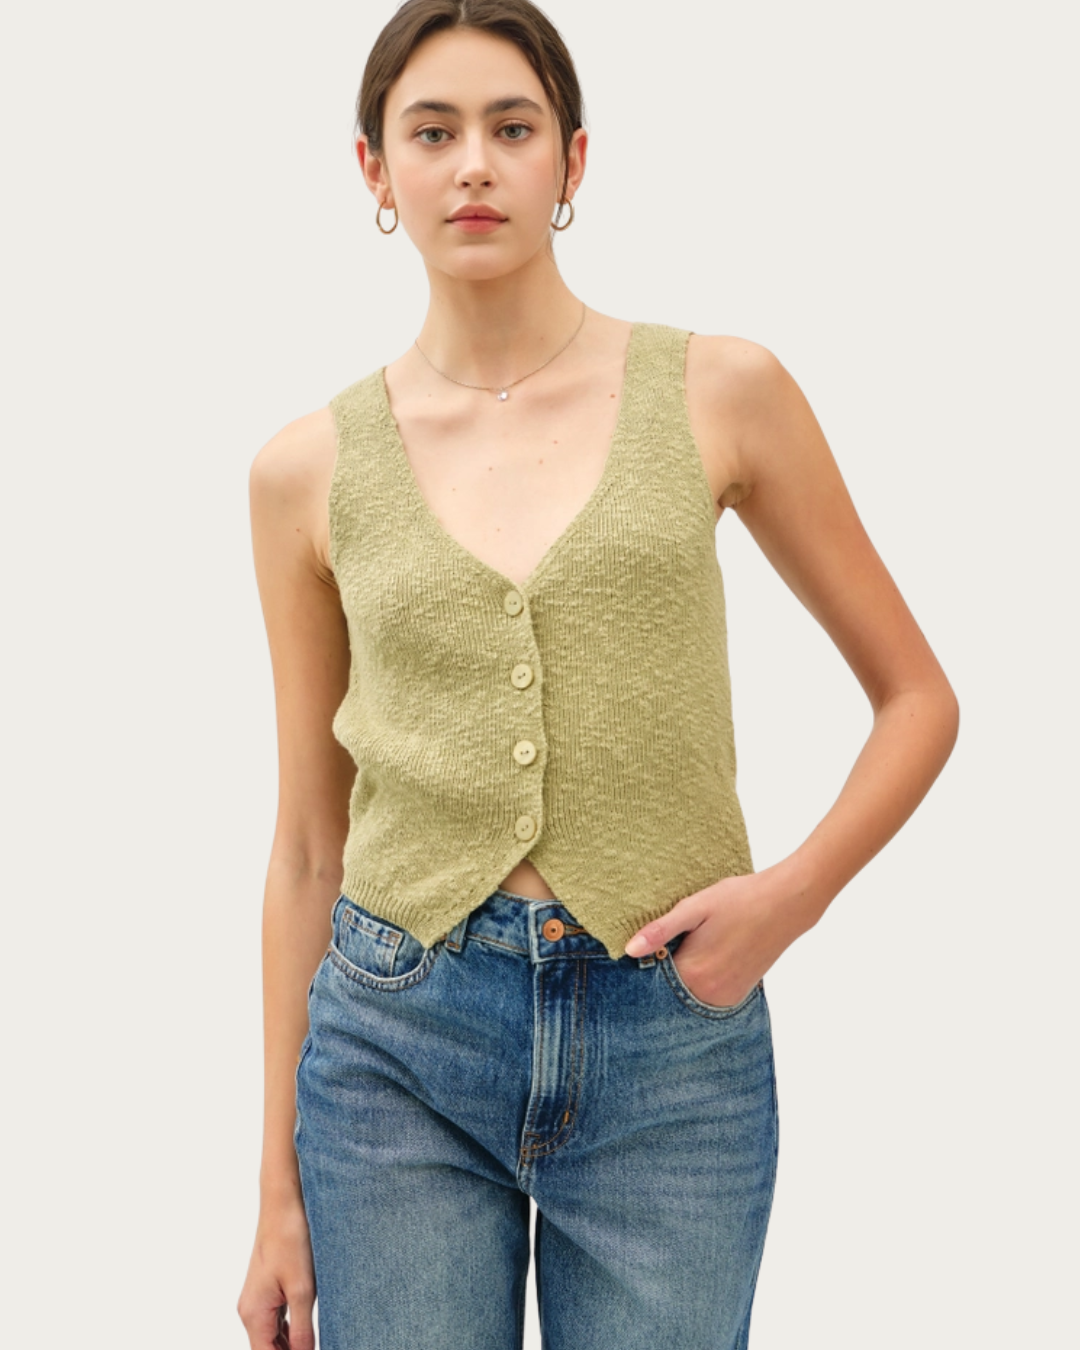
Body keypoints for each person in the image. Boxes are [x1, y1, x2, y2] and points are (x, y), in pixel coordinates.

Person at [237, 2, 960, 1347]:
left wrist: (789, 901)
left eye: (512, 128)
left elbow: (918, 698)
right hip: (396, 1046)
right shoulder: (304, 472)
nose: (473, 164)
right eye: (432, 132)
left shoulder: (721, 392)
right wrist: (275, 1188)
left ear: (572, 161)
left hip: (672, 1046)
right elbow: (306, 847)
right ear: (374, 170)